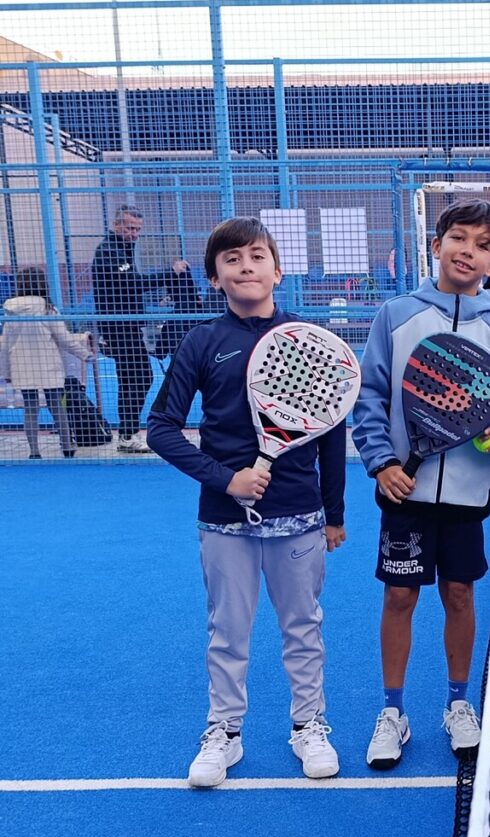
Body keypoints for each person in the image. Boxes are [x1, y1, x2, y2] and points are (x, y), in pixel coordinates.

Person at [147, 216, 347, 788]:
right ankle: (224, 734)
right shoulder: (202, 342)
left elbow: (330, 432)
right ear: (215, 278)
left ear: (277, 270)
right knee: (228, 632)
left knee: (303, 628)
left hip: (298, 516)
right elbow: (160, 427)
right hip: (223, 520)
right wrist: (224, 479)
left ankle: (309, 725)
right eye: (231, 260)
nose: (246, 266)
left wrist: (334, 514)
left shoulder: (308, 342)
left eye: (257, 256)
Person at [352, 198, 490, 770]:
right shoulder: (396, 314)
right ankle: (393, 712)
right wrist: (381, 463)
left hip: (468, 495)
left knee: (459, 594)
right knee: (400, 595)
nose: (467, 251)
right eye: (458, 238)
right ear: (435, 245)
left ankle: (458, 704)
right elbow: (371, 395)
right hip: (402, 487)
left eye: (482, 245)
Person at [91, 204, 190, 453]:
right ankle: (127, 434)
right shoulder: (108, 251)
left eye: (137, 229)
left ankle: (128, 433)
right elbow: (130, 284)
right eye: (129, 228)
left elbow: (130, 286)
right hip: (118, 326)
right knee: (136, 377)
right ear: (116, 225)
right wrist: (169, 274)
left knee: (136, 377)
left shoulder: (124, 249)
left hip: (129, 323)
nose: (134, 233)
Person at [0, 267, 93, 459]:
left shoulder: (9, 310)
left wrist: (6, 371)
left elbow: (6, 342)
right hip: (48, 365)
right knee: (56, 406)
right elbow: (63, 338)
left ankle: (34, 451)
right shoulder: (47, 308)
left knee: (30, 408)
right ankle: (67, 447)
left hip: (21, 365)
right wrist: (85, 354)